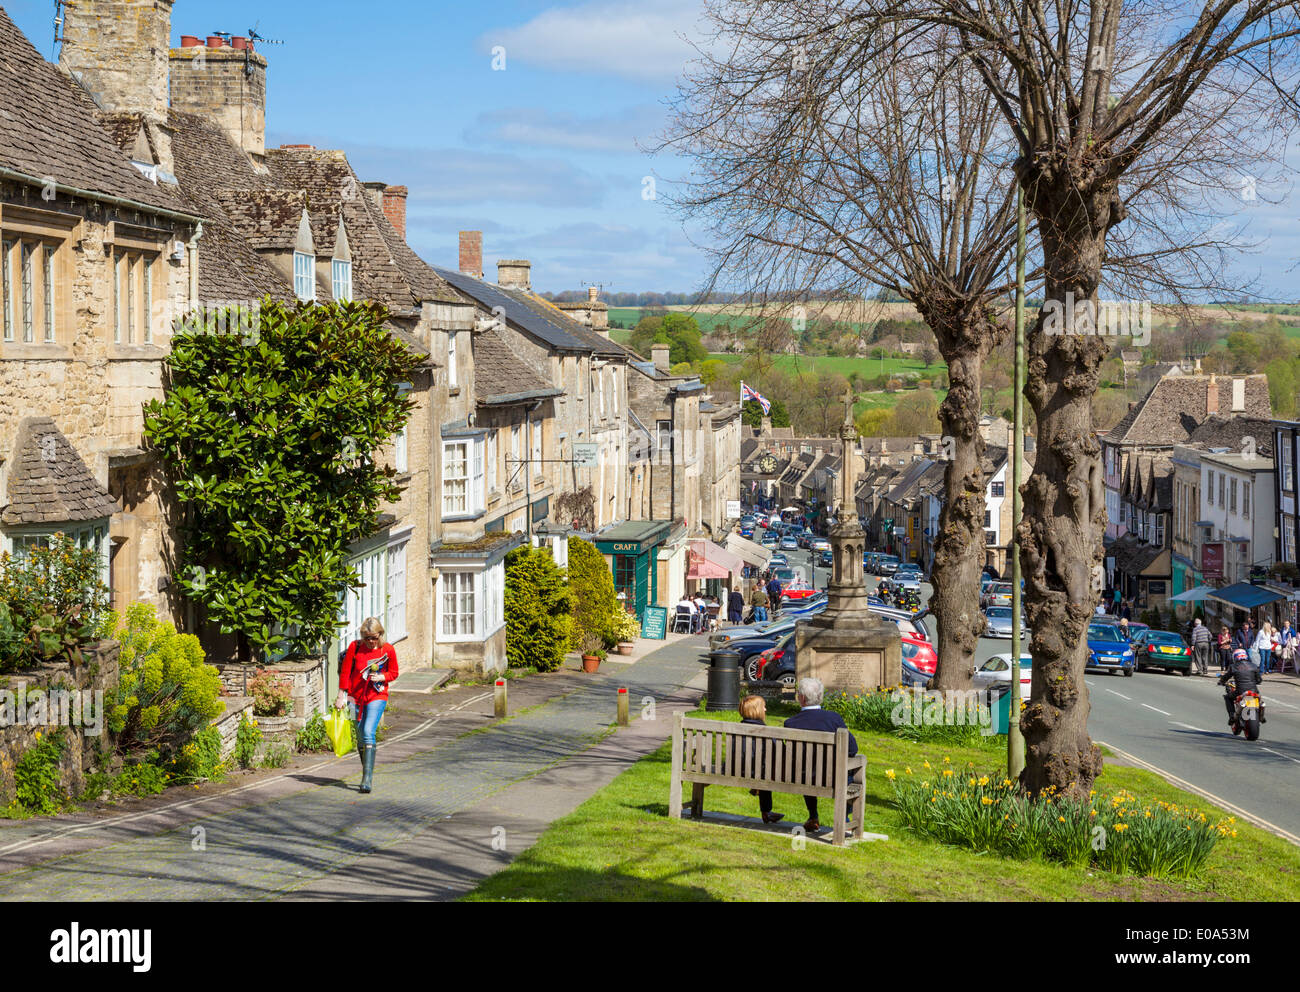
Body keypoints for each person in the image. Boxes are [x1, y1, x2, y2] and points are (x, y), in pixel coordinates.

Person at [783, 677, 858, 834]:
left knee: (806, 769)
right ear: (820, 696)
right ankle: (844, 817)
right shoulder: (834, 719)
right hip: (835, 778)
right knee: (852, 777)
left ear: (801, 698)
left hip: (804, 777)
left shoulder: (791, 723)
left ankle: (813, 816)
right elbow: (852, 749)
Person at [334, 617, 398, 794]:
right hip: (355, 698)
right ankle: (366, 771)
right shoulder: (355, 648)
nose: (370, 641)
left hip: (377, 696)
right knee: (360, 735)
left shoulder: (388, 650)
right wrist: (341, 695)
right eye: (367, 637)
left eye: (374, 637)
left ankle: (366, 778)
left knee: (369, 731)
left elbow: (394, 672)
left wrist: (383, 677)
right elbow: (346, 672)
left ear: (380, 634)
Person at [739, 695, 784, 824]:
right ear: (757, 710)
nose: (765, 709)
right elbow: (779, 752)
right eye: (763, 707)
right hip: (758, 773)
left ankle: (766, 811)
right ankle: (766, 811)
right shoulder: (767, 731)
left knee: (762, 771)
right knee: (765, 772)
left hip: (737, 770)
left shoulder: (736, 729)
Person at [1219, 648, 1266, 726]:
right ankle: (1261, 717)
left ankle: (1231, 716)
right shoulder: (1253, 666)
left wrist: (1221, 681)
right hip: (1254, 691)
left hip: (1240, 691)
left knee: (1227, 697)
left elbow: (1226, 677)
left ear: (1235, 657)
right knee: (1260, 701)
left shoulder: (1233, 667)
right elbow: (1259, 680)